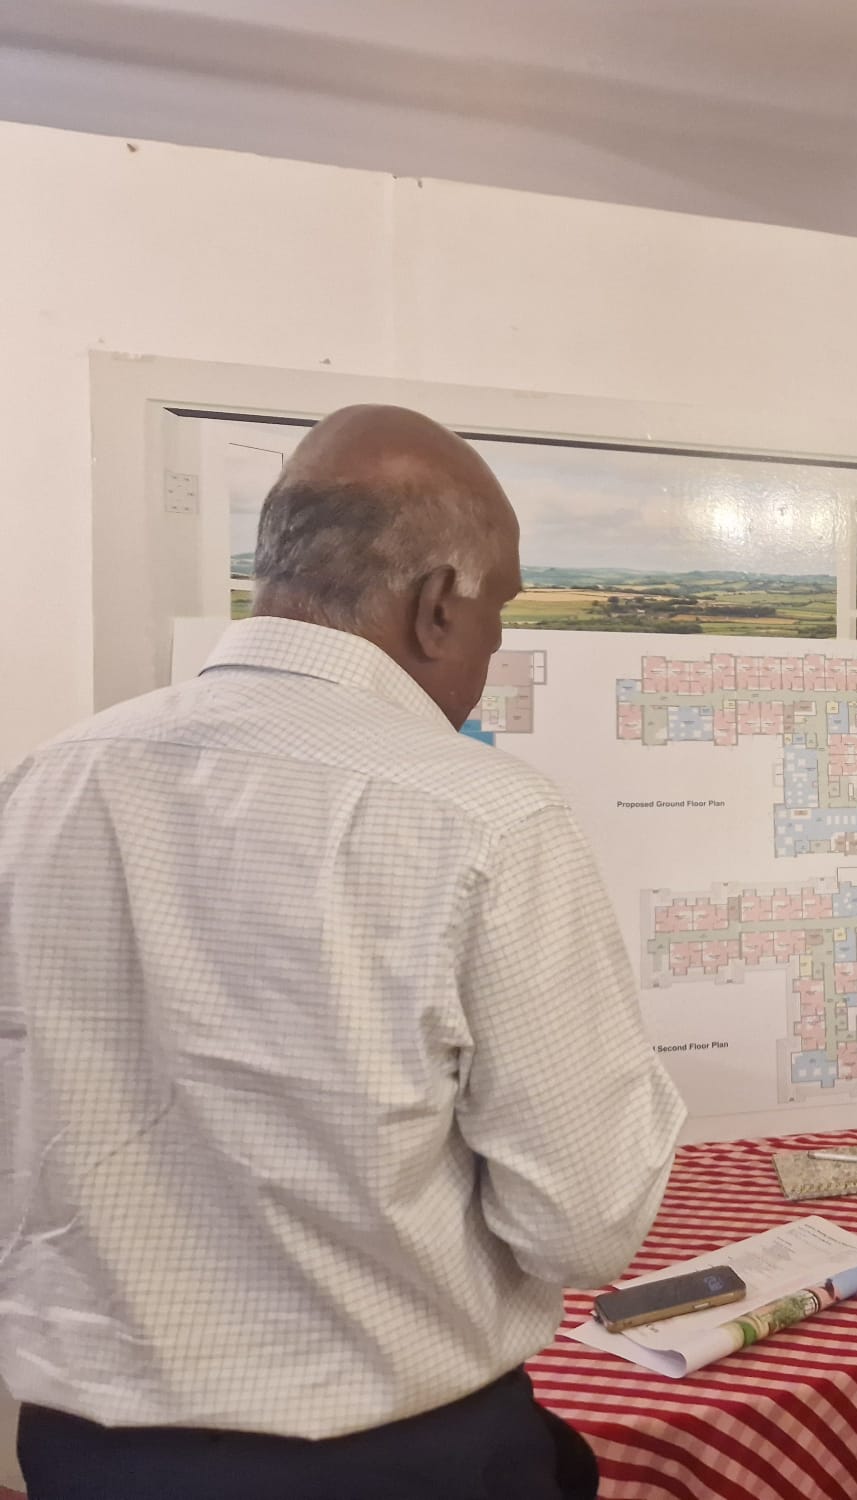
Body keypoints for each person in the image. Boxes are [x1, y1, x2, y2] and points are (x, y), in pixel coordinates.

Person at [0, 405, 687, 1500]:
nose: (488, 658)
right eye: (496, 621)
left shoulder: (42, 785)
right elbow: (583, 1225)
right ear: (436, 606)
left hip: (83, 1452)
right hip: (393, 1460)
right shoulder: (487, 819)